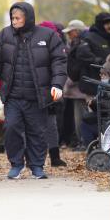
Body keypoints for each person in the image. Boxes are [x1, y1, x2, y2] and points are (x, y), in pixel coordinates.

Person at [0, 2, 67, 180]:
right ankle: (16, 164)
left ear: (27, 18)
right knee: (11, 128)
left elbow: (59, 61)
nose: (14, 21)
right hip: (13, 95)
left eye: (18, 18)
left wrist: (57, 84)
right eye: (12, 18)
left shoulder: (48, 36)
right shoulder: (5, 35)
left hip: (37, 96)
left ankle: (36, 165)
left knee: (37, 131)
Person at [39, 21, 68, 167]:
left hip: (50, 89)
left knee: (50, 124)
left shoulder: (53, 47)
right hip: (45, 89)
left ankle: (53, 156)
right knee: (49, 125)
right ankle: (51, 157)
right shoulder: (56, 45)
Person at [62, 19, 93, 149]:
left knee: (81, 116)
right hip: (78, 87)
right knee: (79, 116)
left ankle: (84, 142)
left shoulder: (81, 45)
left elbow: (79, 65)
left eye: (70, 32)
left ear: (76, 31)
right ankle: (82, 141)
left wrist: (71, 78)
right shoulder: (78, 43)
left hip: (80, 88)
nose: (68, 35)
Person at [79, 12, 110, 96]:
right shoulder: (89, 38)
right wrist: (102, 64)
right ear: (99, 24)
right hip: (93, 87)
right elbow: (83, 55)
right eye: (106, 23)